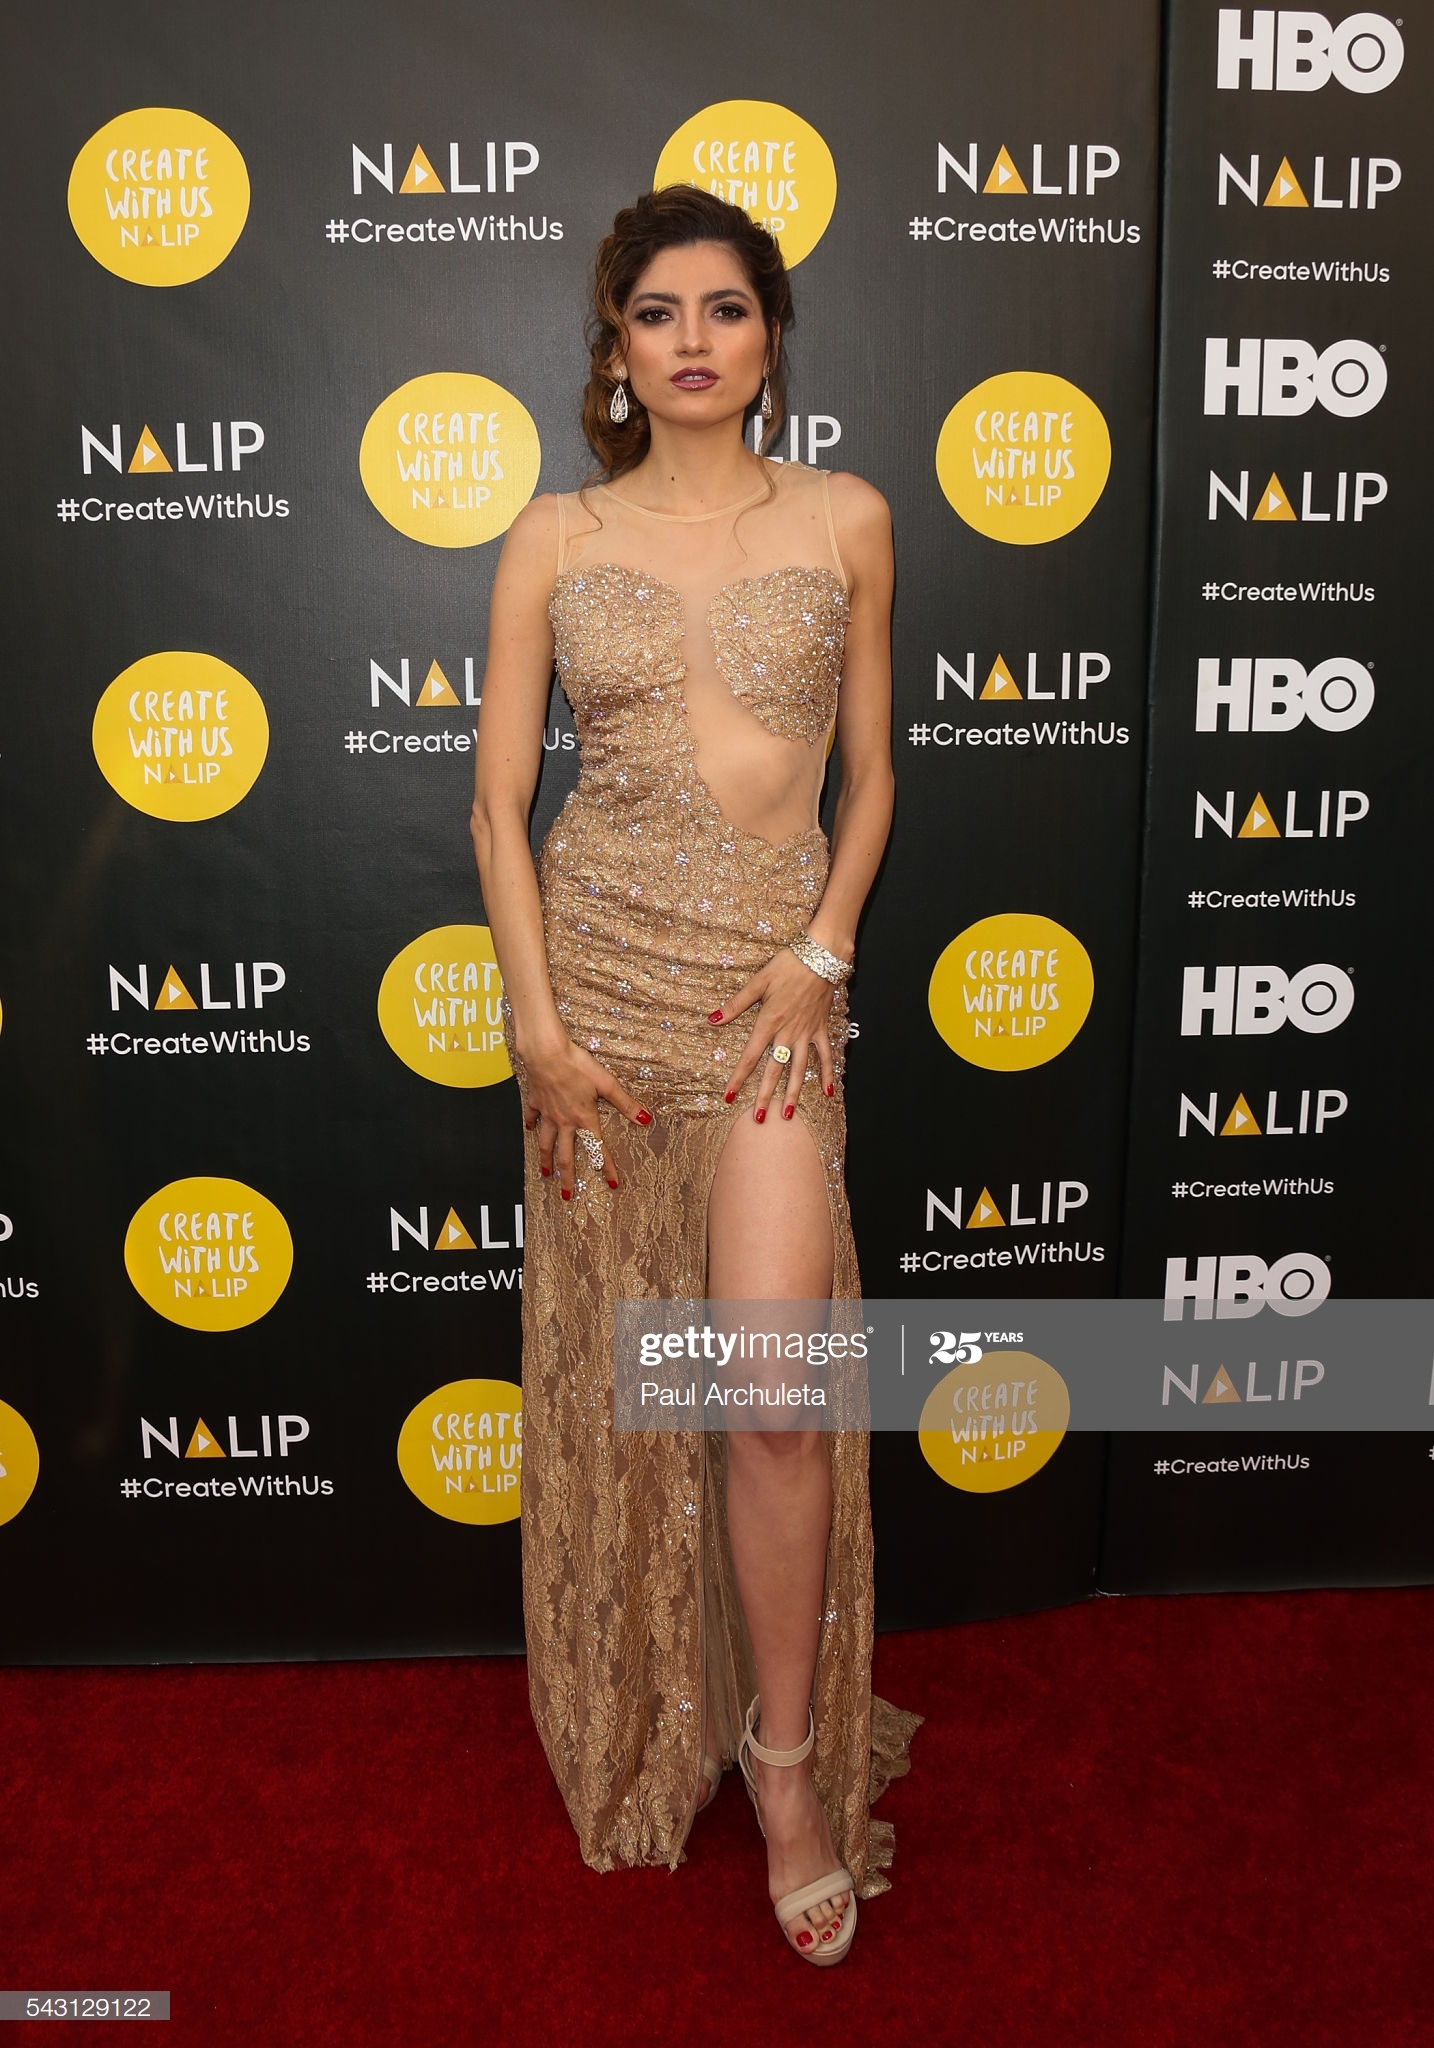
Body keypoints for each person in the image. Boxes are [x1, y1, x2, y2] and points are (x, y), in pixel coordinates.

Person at [471, 185, 916, 1967]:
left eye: (723, 308)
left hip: (770, 1007)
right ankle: (660, 1691)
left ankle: (788, 1770)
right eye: (655, 313)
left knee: (772, 1396)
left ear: (768, 334)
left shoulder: (848, 517)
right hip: (595, 995)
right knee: (631, 1383)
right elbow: (497, 803)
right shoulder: (550, 536)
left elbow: (873, 775)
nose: (691, 341)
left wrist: (824, 954)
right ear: (615, 348)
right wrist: (536, 1031)